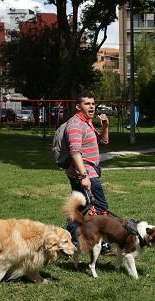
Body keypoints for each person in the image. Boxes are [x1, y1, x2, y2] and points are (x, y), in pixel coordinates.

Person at [64, 93, 111, 253]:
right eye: (87, 104)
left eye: (93, 103)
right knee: (100, 207)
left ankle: (74, 241)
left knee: (79, 209)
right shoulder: (76, 124)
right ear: (78, 107)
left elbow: (103, 142)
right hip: (85, 175)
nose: (91, 106)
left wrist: (104, 126)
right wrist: (84, 176)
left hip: (87, 173)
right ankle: (98, 243)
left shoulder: (87, 123)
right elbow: (75, 152)